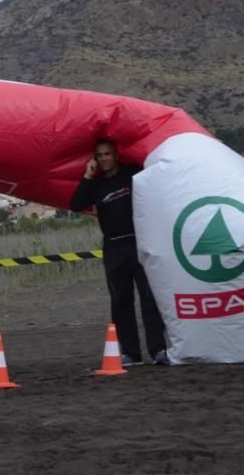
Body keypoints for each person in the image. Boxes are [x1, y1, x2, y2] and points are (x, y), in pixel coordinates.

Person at [70, 139, 167, 366]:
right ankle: (131, 354)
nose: (104, 159)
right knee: (121, 301)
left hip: (139, 243)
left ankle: (158, 350)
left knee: (149, 299)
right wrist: (87, 174)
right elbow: (76, 204)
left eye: (108, 154)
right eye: (100, 156)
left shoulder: (133, 174)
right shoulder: (96, 185)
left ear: (116, 155)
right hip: (113, 248)